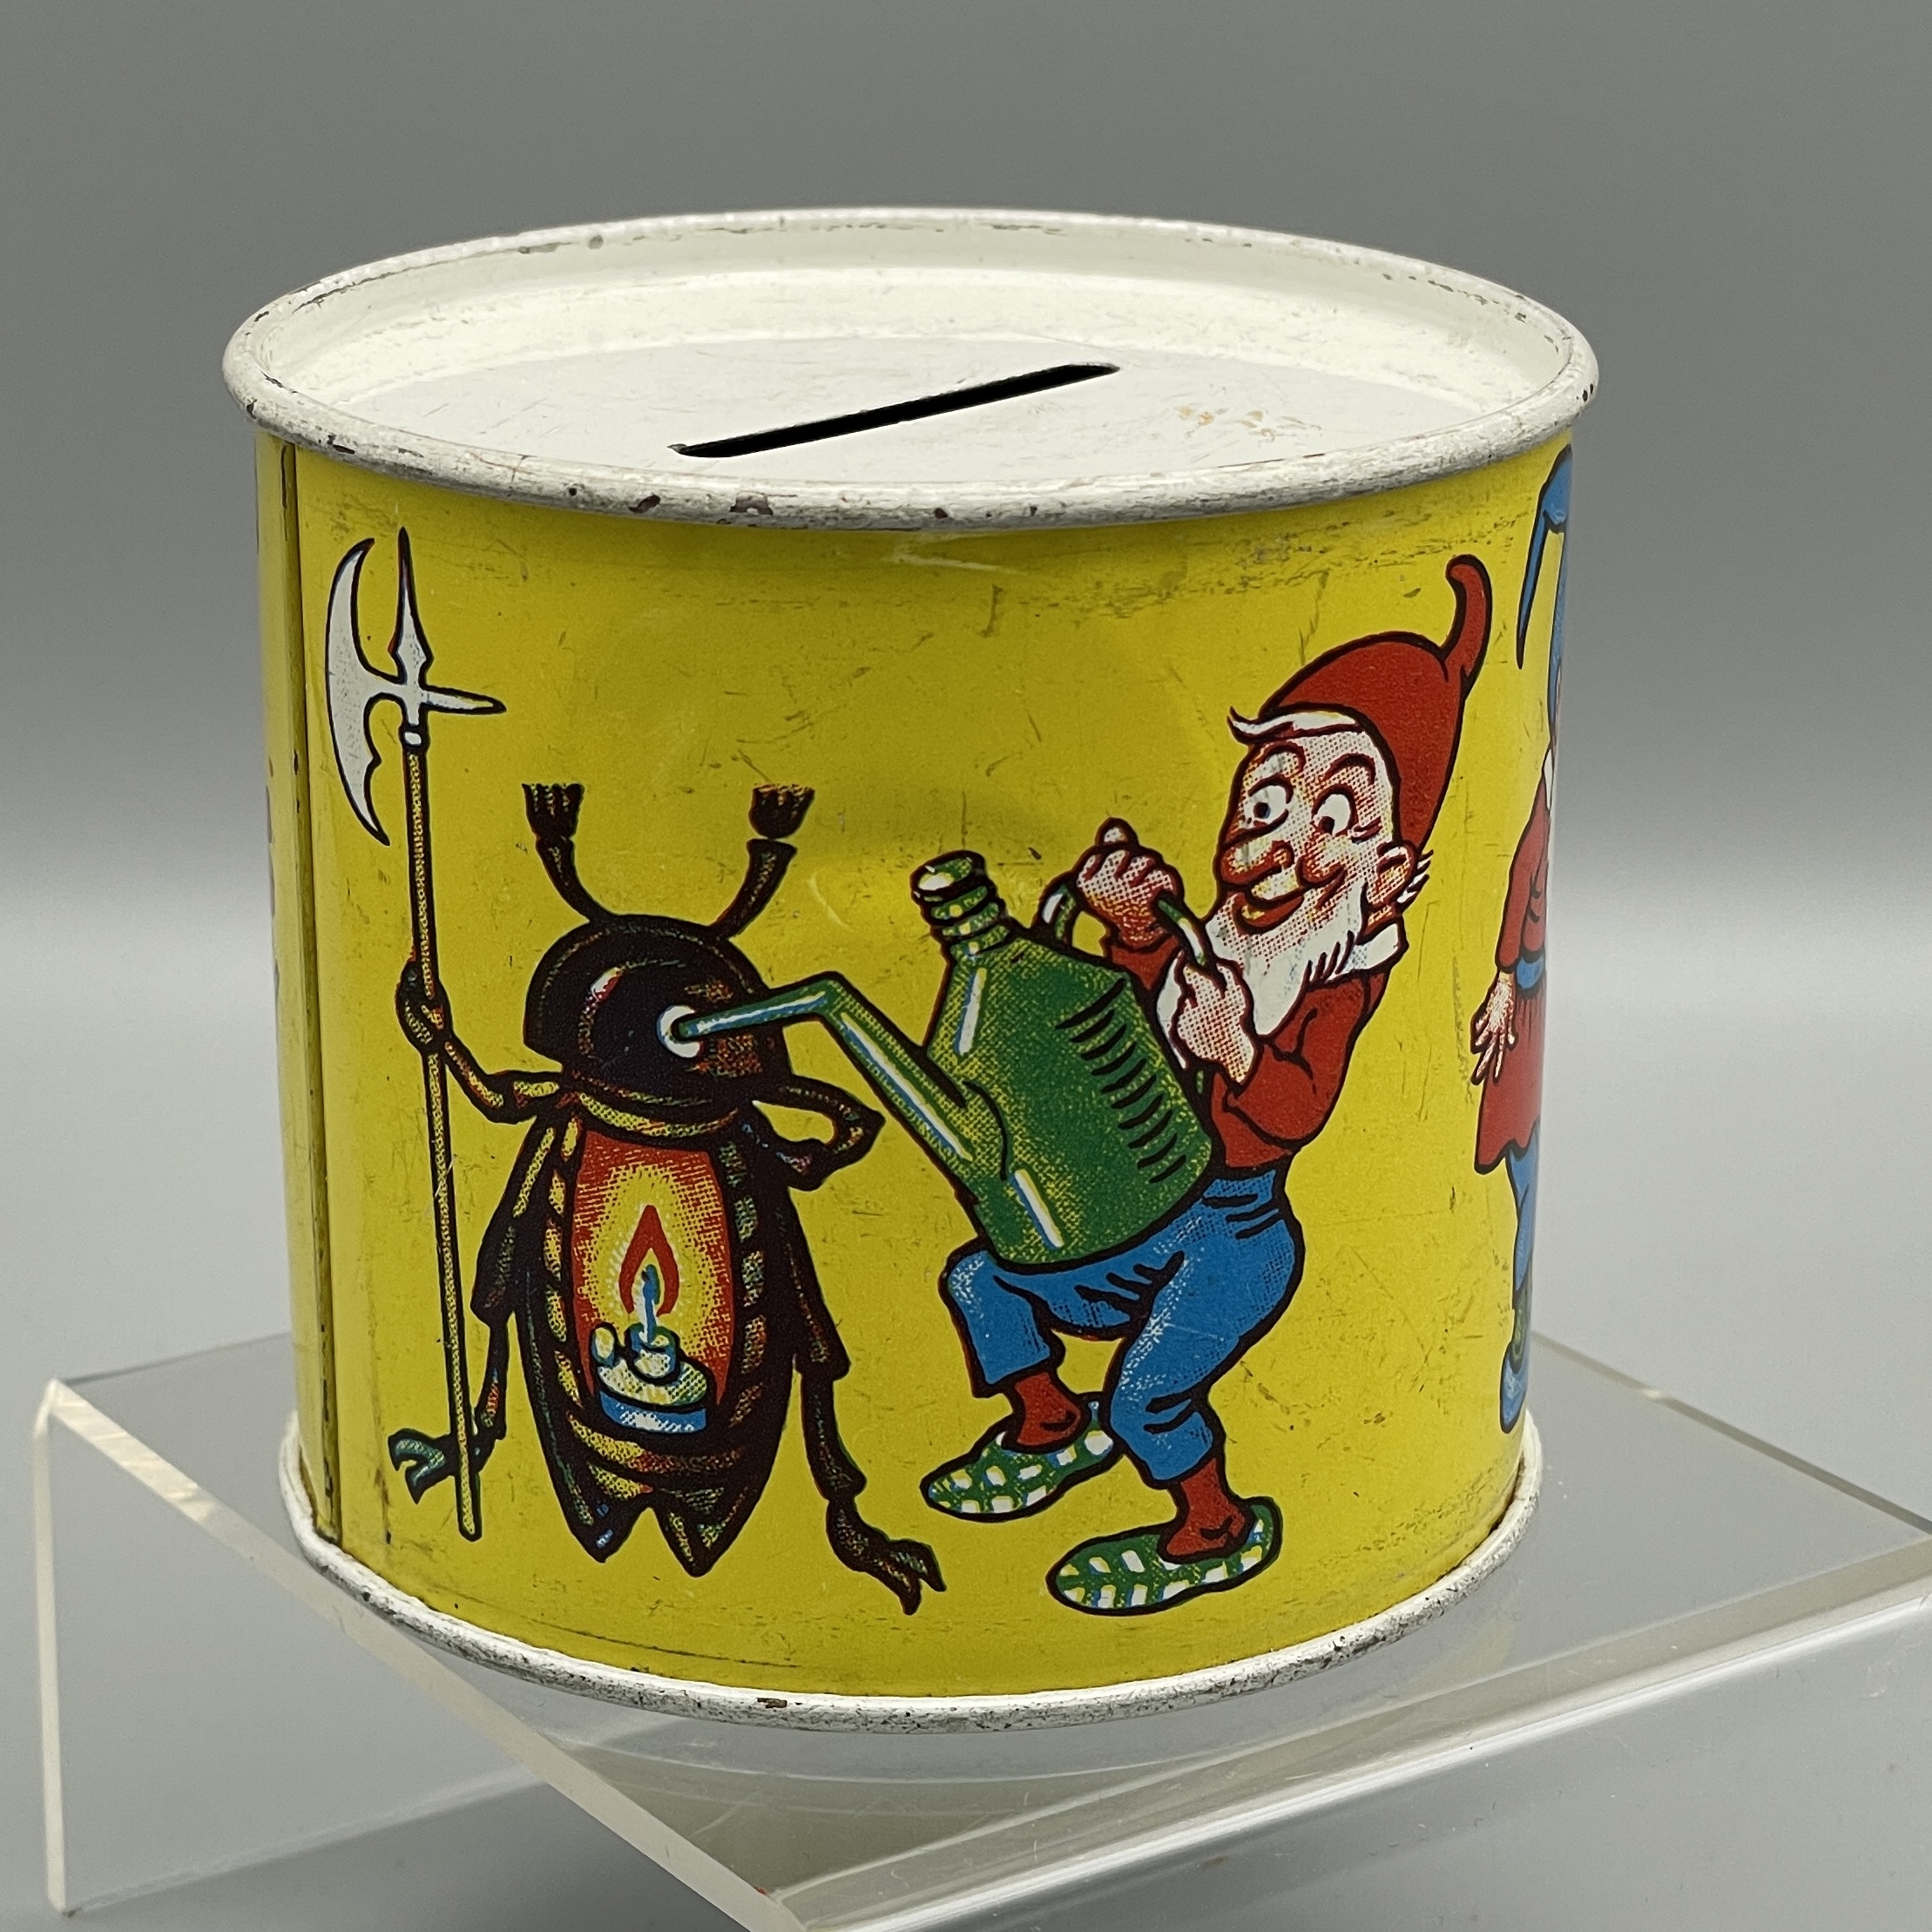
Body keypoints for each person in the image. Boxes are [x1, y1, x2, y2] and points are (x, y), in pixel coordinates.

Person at [923, 557, 1494, 1613]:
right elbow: (1133, 1033)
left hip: (1233, 1236)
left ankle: (1211, 1528)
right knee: (981, 1280)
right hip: (1141, 1213)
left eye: (1333, 818)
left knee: (1147, 1394)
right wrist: (1132, 929)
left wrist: (1234, 1048)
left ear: (1384, 869)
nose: (1281, 840)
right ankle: (1049, 1423)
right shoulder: (1223, 941)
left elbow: (1294, 1111)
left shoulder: (1334, 979)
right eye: (1267, 799)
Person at [1472, 447, 1570, 1432]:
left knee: (1518, 1174)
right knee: (1512, 1167)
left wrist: (1507, 975)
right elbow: (1513, 874)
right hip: (1515, 995)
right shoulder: (1530, 795)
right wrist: (1503, 973)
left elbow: (1519, 866)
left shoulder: (1531, 776)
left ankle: (1502, 1346)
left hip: (1520, 998)